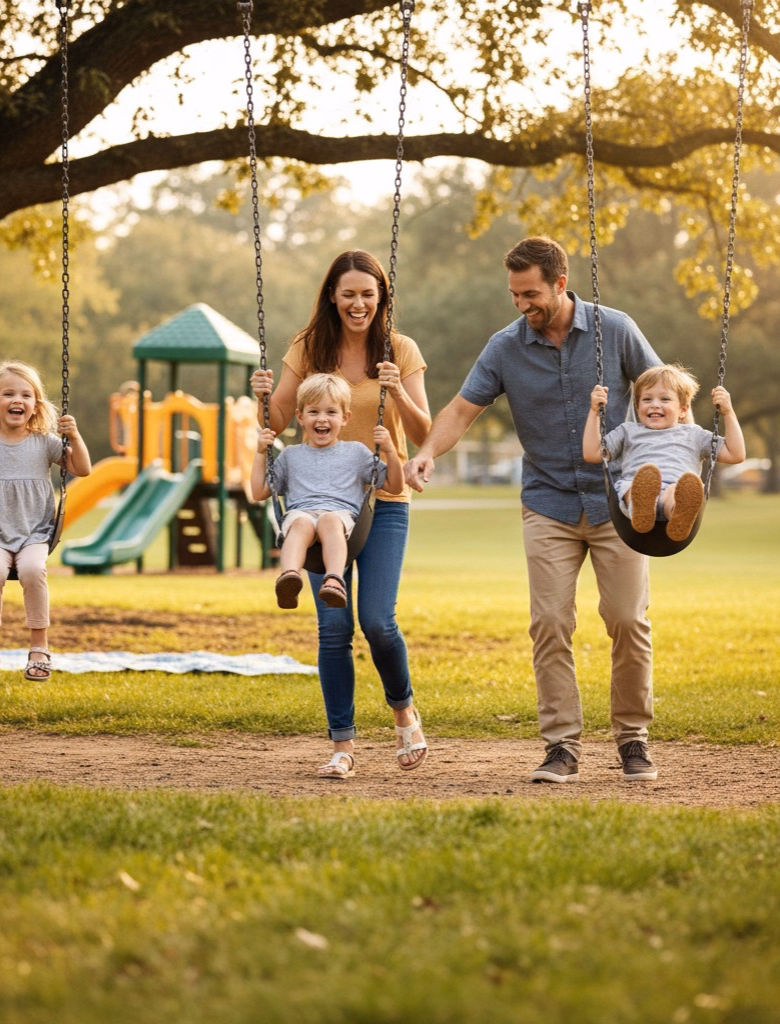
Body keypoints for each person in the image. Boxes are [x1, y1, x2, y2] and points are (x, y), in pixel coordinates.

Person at [403, 235, 663, 784]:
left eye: (530, 293)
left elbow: (663, 392)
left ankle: (633, 739)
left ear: (560, 283)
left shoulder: (616, 329)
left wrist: (679, 454)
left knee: (627, 621)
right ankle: (562, 746)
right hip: (548, 502)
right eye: (514, 295)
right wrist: (425, 452)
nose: (522, 305)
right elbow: (461, 409)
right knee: (548, 622)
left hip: (619, 500)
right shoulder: (505, 347)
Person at [248, 249, 431, 780]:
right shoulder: (308, 348)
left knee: (376, 621)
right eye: (348, 294)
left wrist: (395, 390)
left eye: (368, 295)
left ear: (381, 298)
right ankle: (343, 745)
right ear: (332, 295)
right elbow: (281, 417)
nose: (358, 304)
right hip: (313, 497)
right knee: (334, 628)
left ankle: (404, 713)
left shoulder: (400, 349)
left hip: (381, 500)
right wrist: (263, 397)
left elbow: (423, 434)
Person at [0, 360, 92, 682]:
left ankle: (39, 648)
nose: (17, 400)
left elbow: (82, 469)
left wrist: (74, 437)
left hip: (35, 533)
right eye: (8, 394)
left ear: (36, 404)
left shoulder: (46, 441)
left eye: (26, 395)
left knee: (33, 570)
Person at [249, 373, 403, 610]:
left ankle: (333, 579)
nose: (322, 419)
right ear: (300, 417)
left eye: (331, 412)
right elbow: (259, 492)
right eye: (313, 412)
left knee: (329, 520)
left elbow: (394, 486)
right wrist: (260, 453)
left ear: (345, 418)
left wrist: (391, 452)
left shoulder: (357, 453)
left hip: (341, 517)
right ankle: (289, 578)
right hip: (302, 515)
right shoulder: (291, 456)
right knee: (300, 522)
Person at [583, 364, 746, 540]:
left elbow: (735, 454)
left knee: (677, 491)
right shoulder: (628, 430)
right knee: (632, 486)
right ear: (637, 407)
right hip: (635, 492)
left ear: (683, 409)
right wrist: (594, 411)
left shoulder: (695, 434)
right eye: (647, 399)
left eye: (665, 399)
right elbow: (593, 454)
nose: (654, 405)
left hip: (675, 491)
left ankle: (679, 515)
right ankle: (643, 509)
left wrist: (728, 412)